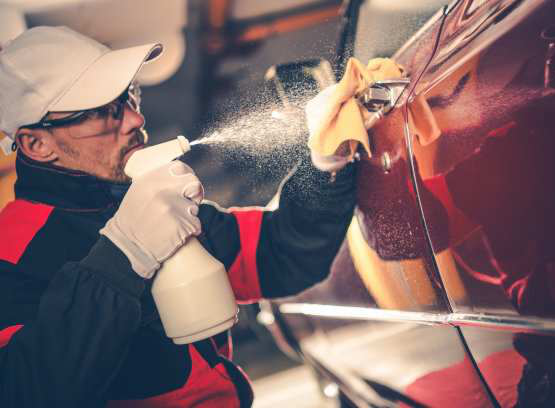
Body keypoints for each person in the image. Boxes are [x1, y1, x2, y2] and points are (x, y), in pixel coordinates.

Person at [0, 26, 356, 407]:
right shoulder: (10, 255)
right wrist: (123, 256)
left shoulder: (152, 206)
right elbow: (25, 390)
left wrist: (325, 161)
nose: (135, 120)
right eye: (104, 111)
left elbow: (281, 253)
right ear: (37, 144)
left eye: (130, 97)